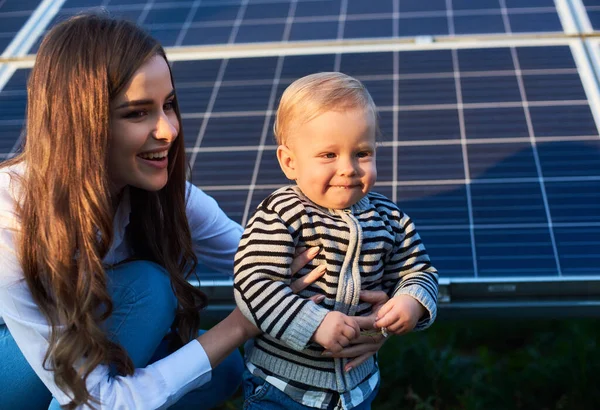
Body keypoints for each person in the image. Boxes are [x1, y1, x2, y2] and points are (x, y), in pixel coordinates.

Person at [0, 15, 388, 410]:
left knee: (223, 372)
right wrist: (241, 324)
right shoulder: (10, 215)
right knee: (148, 291)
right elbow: (95, 400)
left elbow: (274, 260)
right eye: (137, 113)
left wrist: (362, 314)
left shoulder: (166, 198)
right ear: (80, 121)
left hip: (73, 357)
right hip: (13, 366)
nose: (169, 129)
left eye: (168, 105)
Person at [233, 72, 439, 410]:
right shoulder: (282, 213)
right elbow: (253, 284)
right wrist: (314, 324)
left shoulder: (390, 218)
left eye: (362, 153)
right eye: (328, 155)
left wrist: (411, 302)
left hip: (357, 388)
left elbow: (419, 271)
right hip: (282, 388)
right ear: (289, 161)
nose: (348, 168)